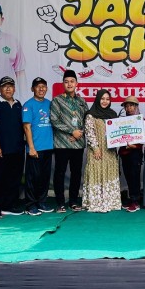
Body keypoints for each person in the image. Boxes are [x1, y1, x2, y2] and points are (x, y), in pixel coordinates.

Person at [50, 70, 88, 213]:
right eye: (66, 82)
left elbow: (87, 120)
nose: (69, 84)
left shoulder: (82, 101)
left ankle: (73, 201)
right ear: (63, 84)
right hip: (62, 143)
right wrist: (72, 131)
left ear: (76, 83)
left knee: (76, 173)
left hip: (78, 144)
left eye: (72, 81)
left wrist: (80, 133)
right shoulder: (57, 100)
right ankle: (60, 202)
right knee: (59, 173)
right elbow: (54, 120)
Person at [0, 76, 26, 217]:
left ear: (14, 88)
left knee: (14, 178)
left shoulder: (18, 104)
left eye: (10, 86)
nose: (8, 88)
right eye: (5, 86)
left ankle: (9, 205)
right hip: (1, 149)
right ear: (0, 89)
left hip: (17, 149)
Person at [81, 89, 122, 213]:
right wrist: (96, 148)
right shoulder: (90, 115)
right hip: (97, 151)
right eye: (102, 99)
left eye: (107, 99)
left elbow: (117, 131)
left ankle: (110, 202)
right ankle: (96, 202)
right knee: (97, 172)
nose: (105, 101)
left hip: (110, 151)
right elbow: (89, 132)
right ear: (98, 99)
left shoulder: (112, 114)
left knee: (109, 173)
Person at [23, 77, 55, 216]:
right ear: (32, 89)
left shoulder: (49, 104)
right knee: (32, 178)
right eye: (38, 86)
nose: (41, 89)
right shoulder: (28, 105)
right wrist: (31, 147)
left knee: (44, 177)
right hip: (35, 148)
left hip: (48, 147)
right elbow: (26, 127)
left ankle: (42, 202)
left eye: (43, 86)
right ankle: (30, 205)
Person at [119, 96, 144, 212]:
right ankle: (131, 198)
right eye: (127, 106)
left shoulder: (141, 121)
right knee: (128, 176)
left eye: (131, 105)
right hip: (124, 153)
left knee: (135, 176)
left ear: (136, 107)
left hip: (135, 153)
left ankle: (136, 201)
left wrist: (135, 146)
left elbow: (142, 139)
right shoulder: (120, 122)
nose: (129, 108)